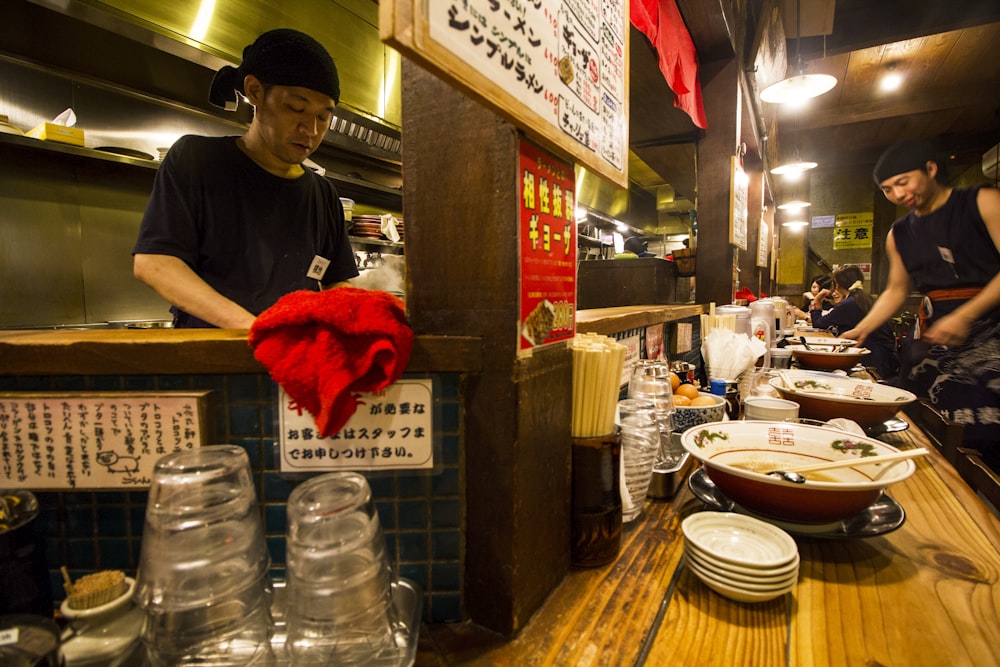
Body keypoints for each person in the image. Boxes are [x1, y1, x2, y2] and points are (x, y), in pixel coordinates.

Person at [132, 28, 359, 328]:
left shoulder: (323, 195)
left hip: (292, 361)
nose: (311, 130)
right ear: (255, 92)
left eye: (323, 117)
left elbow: (337, 283)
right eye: (297, 108)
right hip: (214, 364)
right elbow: (156, 263)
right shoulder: (197, 160)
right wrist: (256, 332)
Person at [843, 139, 1000, 470]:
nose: (898, 195)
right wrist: (862, 327)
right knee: (928, 420)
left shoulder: (982, 201)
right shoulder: (899, 232)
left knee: (987, 428)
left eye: (903, 182)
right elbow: (896, 291)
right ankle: (942, 484)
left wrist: (965, 315)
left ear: (931, 169)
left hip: (991, 326)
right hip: (935, 330)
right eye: (888, 189)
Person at [809, 265, 898, 379]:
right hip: (884, 358)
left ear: (837, 284)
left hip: (870, 362)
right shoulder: (868, 299)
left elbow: (818, 323)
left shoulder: (849, 303)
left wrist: (816, 301)